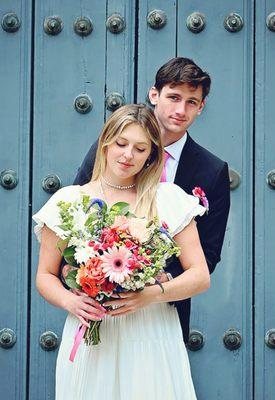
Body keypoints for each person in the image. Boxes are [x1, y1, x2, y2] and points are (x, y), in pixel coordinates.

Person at [33, 104, 210, 399]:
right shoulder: (69, 201)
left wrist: (152, 294)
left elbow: (200, 276)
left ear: (152, 155)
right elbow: (45, 275)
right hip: (93, 335)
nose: (128, 155)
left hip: (151, 332)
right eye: (121, 143)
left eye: (141, 149)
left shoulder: (167, 199)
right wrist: (70, 301)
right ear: (105, 142)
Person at [73, 57, 231, 343]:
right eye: (173, 97)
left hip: (164, 312)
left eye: (192, 102)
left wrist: (156, 284)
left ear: (201, 107)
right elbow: (77, 217)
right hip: (100, 307)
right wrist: (77, 275)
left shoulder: (212, 171)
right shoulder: (112, 148)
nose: (181, 110)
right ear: (154, 94)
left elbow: (208, 253)